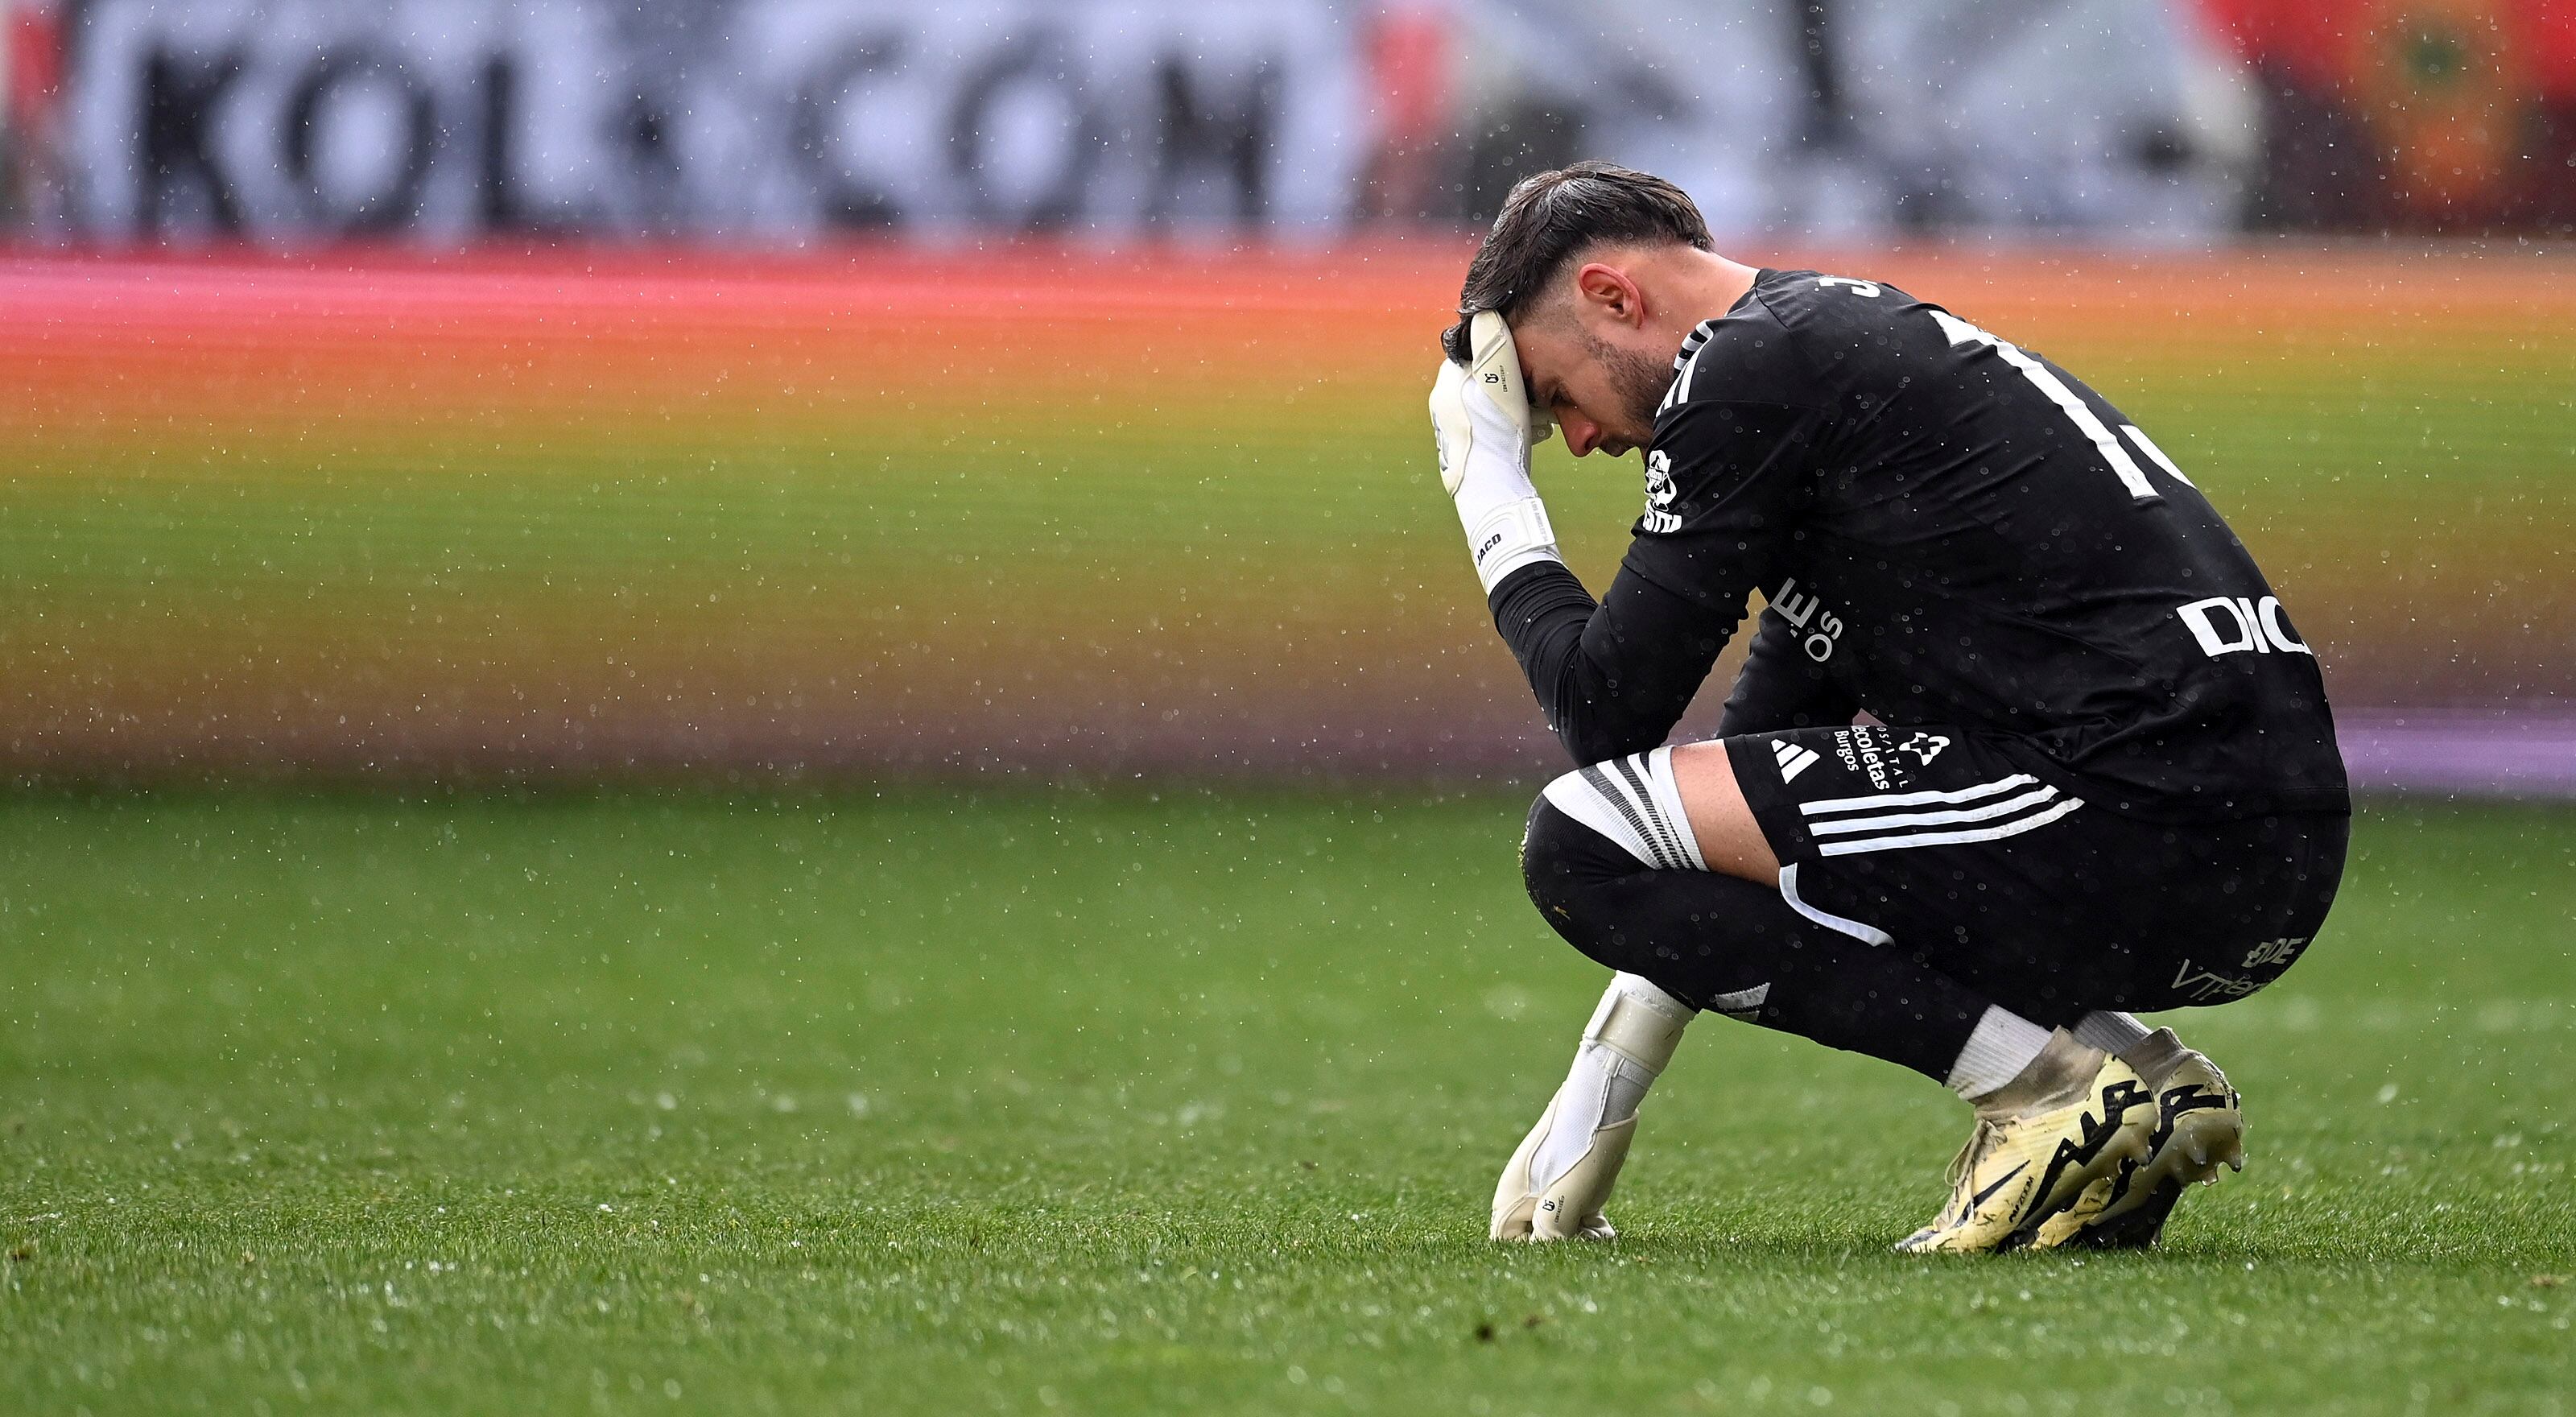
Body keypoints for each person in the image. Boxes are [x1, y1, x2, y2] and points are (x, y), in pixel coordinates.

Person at [1426, 162, 2349, 1254]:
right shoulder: (1823, 356)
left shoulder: (1743, 371)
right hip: (2243, 844)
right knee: (1654, 830)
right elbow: (1715, 811)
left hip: (2149, 808)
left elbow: (1605, 714)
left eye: (1556, 396)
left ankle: (2046, 1097)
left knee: (1571, 840)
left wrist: (1488, 481)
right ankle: (2143, 1083)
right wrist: (1600, 1088)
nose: (1579, 441)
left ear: (1614, 297)